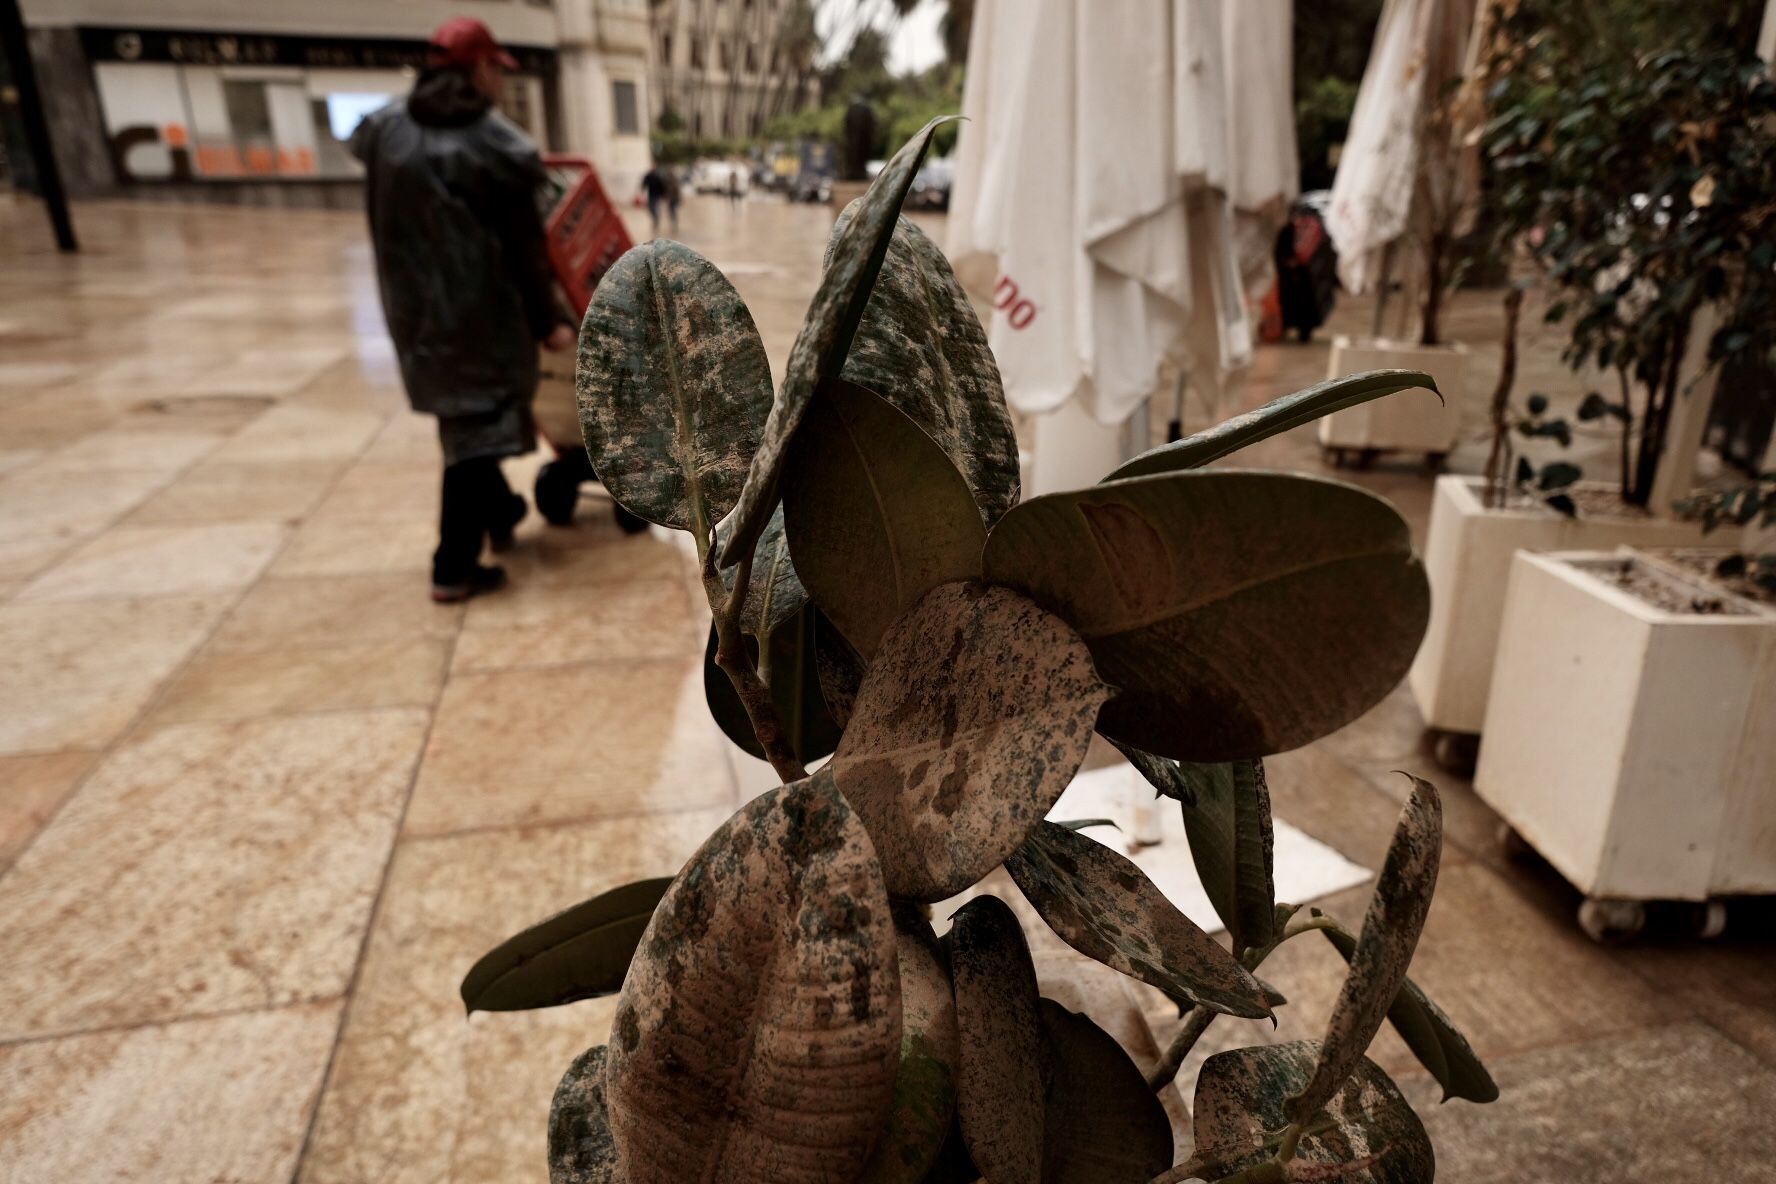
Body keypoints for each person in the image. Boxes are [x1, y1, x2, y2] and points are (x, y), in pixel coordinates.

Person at [350, 17, 573, 602]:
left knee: (466, 426)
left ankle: (501, 512)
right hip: (480, 321)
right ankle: (453, 565)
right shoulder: (493, 143)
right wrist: (546, 319)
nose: (500, 80)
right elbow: (526, 248)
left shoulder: (386, 131)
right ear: (479, 69)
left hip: (415, 318)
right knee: (474, 441)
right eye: (497, 69)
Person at [640, 163, 667, 233]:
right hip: (651, 195)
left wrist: (663, 195)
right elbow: (644, 183)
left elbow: (662, 186)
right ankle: (655, 218)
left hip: (657, 195)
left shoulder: (659, 176)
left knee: (655, 207)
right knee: (650, 208)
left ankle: (656, 219)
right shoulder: (649, 175)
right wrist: (642, 190)